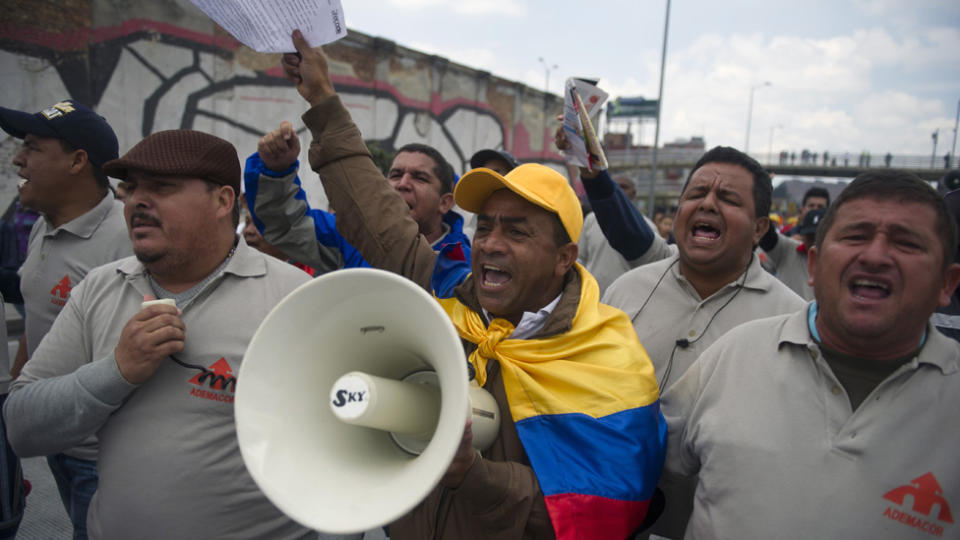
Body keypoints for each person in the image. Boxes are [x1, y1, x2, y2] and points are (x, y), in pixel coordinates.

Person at [282, 30, 667, 539]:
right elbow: (377, 216)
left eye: (517, 230)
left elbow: (605, 511)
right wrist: (325, 104)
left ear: (564, 258)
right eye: (484, 227)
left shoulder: (609, 356)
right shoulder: (447, 295)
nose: (490, 243)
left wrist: (477, 477)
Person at [3, 129, 320, 539]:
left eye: (162, 187)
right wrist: (117, 372)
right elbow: (21, 428)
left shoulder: (294, 300)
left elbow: (344, 455)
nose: (137, 201)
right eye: (131, 188)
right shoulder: (100, 288)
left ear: (223, 201)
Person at [663, 170, 960, 539]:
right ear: (815, 266)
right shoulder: (735, 356)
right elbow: (642, 462)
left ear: (948, 283)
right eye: (856, 236)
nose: (876, 256)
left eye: (907, 244)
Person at [570, 145, 804, 538]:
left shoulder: (789, 322)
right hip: (600, 519)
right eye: (695, 194)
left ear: (760, 228)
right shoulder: (627, 289)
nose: (707, 204)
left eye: (728, 199)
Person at [0, 99, 132, 539]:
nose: (18, 158)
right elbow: (39, 317)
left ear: (78, 161)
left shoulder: (126, 240)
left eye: (34, 147)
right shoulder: (45, 224)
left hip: (102, 460)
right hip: (54, 442)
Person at [245, 121, 471, 294]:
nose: (403, 184)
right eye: (395, 175)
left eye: (420, 178)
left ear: (445, 202)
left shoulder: (466, 264)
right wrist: (276, 172)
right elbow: (287, 226)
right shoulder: (351, 236)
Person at [759, 207, 826, 300]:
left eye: (819, 237)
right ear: (802, 235)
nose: (814, 242)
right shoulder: (786, 249)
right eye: (810, 237)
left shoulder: (837, 262)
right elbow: (767, 235)